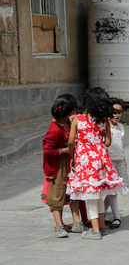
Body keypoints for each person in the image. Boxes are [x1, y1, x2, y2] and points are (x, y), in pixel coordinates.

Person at [67, 87, 128, 240]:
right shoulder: (104, 121)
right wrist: (97, 143)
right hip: (101, 159)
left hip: (84, 159)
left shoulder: (78, 119)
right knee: (98, 193)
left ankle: (95, 231)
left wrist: (73, 155)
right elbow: (107, 142)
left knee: (90, 194)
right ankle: (101, 226)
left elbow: (70, 141)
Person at [42, 94, 85, 237]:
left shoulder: (68, 123)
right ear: (68, 113)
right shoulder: (54, 129)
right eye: (74, 111)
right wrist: (66, 150)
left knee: (73, 192)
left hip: (70, 163)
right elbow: (48, 151)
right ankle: (59, 225)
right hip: (57, 167)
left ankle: (77, 222)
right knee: (57, 196)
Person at [104, 98, 129, 229]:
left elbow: (120, 145)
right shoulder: (105, 126)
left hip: (119, 162)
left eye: (119, 112)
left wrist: (123, 159)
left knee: (113, 191)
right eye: (113, 112)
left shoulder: (120, 127)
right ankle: (117, 217)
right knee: (112, 191)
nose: (116, 115)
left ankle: (101, 213)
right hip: (109, 163)